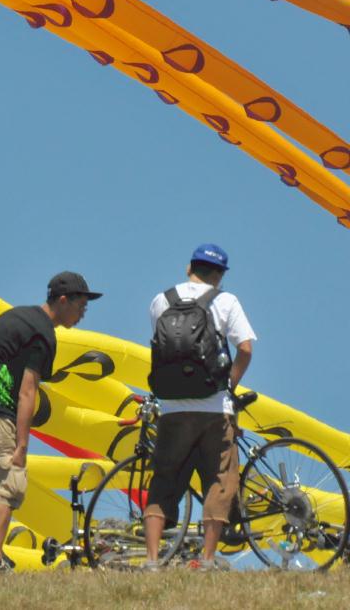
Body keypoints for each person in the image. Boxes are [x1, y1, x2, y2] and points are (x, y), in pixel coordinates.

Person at [0, 271, 100, 573]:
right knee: (9, 485)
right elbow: (28, 391)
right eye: (81, 304)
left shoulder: (18, 316)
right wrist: (22, 444)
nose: (84, 312)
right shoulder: (43, 333)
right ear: (62, 300)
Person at [143, 244, 255, 571]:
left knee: (164, 479)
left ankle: (152, 560)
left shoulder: (160, 300)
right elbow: (245, 349)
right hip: (214, 408)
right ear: (219, 275)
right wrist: (230, 384)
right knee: (220, 480)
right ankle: (206, 559)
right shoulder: (225, 301)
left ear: (188, 267)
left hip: (172, 407)